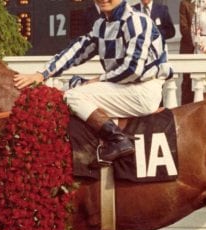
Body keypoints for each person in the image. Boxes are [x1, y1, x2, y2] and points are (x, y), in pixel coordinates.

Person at [13, 0, 173, 164]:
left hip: (142, 90)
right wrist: (42, 74)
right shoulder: (101, 25)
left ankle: (118, 140)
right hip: (123, 87)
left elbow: (133, 69)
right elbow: (76, 52)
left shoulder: (137, 21)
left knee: (72, 97)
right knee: (70, 85)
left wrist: (97, 80)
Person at [180, 0, 197, 104]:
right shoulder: (185, 3)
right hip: (189, 47)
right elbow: (184, 28)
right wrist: (197, 43)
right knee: (188, 82)